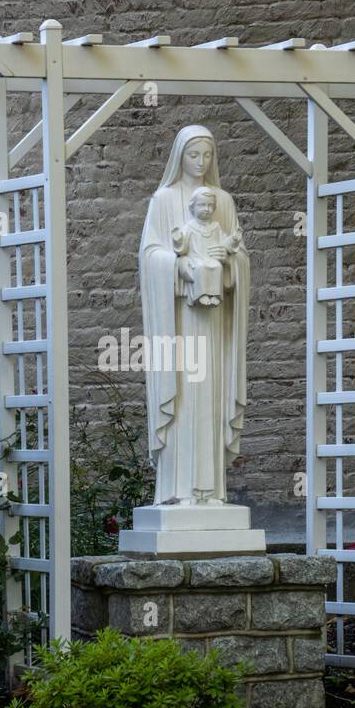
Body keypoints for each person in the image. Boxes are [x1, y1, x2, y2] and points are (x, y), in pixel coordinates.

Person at [137, 125, 251, 506]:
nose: (200, 163)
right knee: (183, 395)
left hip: (214, 321)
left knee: (210, 396)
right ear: (179, 156)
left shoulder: (224, 201)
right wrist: (179, 267)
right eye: (193, 155)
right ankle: (174, 490)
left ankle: (210, 492)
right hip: (179, 322)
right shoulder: (163, 199)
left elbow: (241, 258)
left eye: (207, 155)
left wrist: (229, 262)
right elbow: (149, 255)